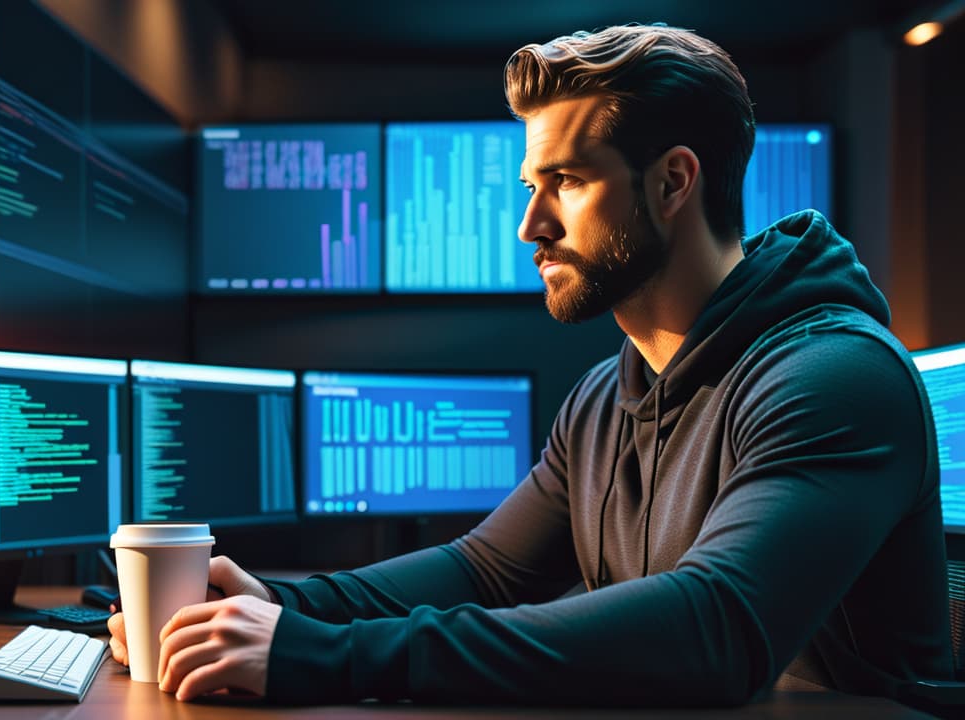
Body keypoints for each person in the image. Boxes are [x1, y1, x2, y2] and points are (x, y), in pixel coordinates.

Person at [108, 24, 954, 705]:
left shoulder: (834, 375)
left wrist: (331, 655)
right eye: (529, 187)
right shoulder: (603, 398)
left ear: (673, 183)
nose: (531, 227)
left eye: (569, 182)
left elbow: (718, 630)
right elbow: (484, 570)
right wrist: (272, 610)